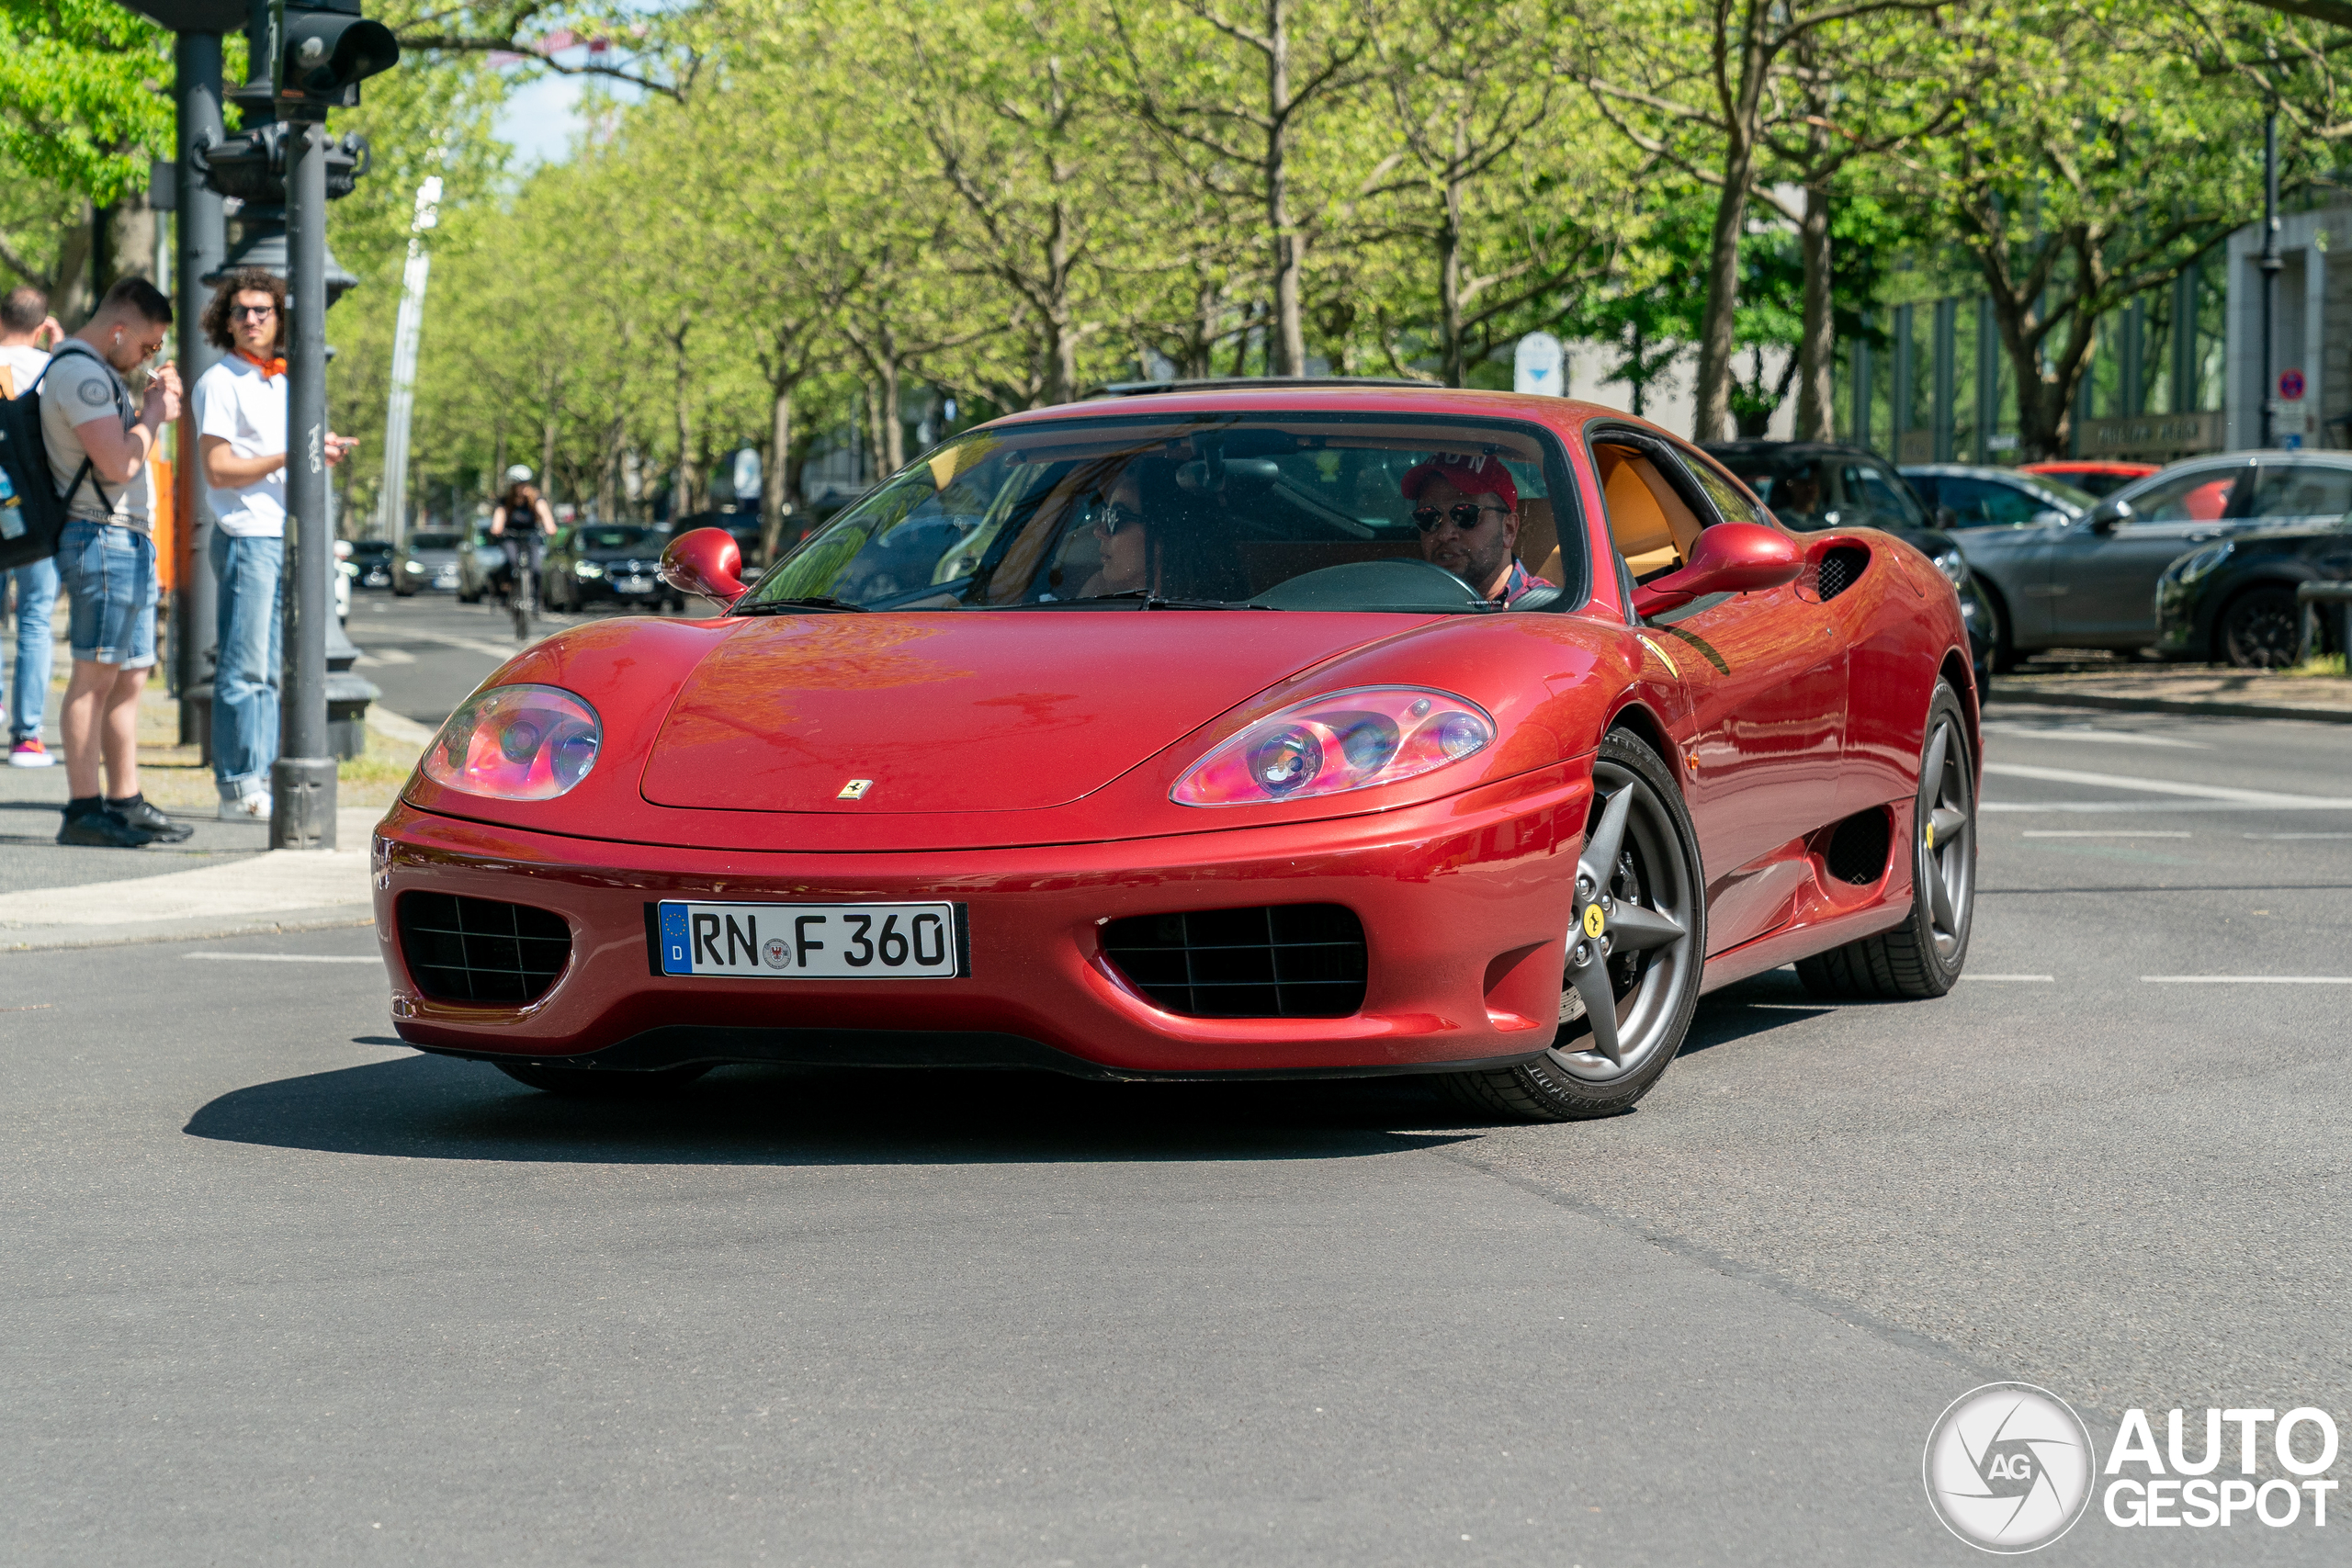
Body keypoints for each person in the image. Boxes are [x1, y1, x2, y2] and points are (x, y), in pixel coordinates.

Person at [193, 267, 356, 821]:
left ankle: (254, 778)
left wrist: (320, 450)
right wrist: (289, 455)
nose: (252, 320)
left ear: (280, 318)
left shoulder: (280, 381)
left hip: (277, 534)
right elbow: (218, 469)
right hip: (245, 534)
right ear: (225, 320)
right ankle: (238, 786)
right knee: (245, 669)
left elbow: (283, 455)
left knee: (266, 668)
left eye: (263, 310)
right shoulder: (220, 382)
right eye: (241, 311)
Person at [42, 276, 189, 845]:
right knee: (94, 676)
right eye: (148, 346)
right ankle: (83, 809)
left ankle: (123, 800)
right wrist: (152, 413)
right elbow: (117, 465)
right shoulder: (80, 372)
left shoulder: (96, 372)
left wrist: (149, 411)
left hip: (123, 537)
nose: (148, 357)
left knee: (127, 677)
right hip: (100, 536)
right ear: (119, 328)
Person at [1, 285, 63, 768]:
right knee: (36, 619)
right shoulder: (53, 369)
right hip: (35, 513)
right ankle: (27, 737)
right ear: (43, 325)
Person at [1401, 453, 1553, 605]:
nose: (1445, 534)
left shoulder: (1549, 612)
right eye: (1428, 517)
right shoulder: (1404, 604)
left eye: (1466, 515)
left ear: (1509, 529)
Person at [490, 465, 556, 606]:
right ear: (512, 486)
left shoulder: (536, 499)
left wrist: (550, 526)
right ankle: (506, 590)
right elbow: (499, 517)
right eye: (519, 484)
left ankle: (536, 600)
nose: (523, 487)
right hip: (511, 536)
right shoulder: (505, 501)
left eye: (525, 483)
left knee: (536, 568)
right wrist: (497, 528)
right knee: (511, 560)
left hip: (531, 536)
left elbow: (545, 515)